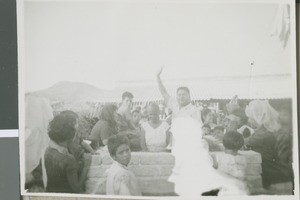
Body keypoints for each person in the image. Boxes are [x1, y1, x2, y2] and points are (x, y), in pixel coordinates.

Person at [169, 117, 247, 196]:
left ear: (224, 144)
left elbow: (212, 168)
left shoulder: (219, 157)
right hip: (239, 186)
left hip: (225, 187)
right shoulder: (243, 159)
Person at [44, 113, 92, 193]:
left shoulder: (48, 149)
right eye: (75, 130)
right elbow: (77, 190)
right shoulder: (68, 158)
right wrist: (86, 166)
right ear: (71, 135)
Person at [244, 100, 281, 189]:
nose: (249, 120)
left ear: (258, 117)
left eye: (251, 118)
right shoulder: (266, 129)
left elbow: (243, 141)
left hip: (265, 170)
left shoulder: (263, 134)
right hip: (266, 167)